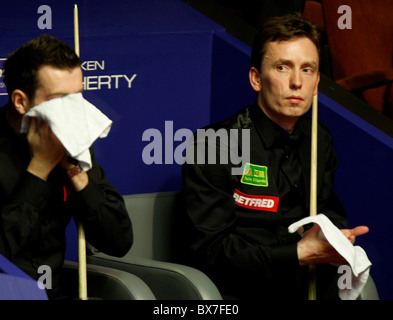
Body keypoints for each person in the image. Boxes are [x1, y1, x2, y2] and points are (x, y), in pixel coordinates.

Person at [179, 14, 369, 300]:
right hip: (241, 292)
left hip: (309, 287)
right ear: (256, 78)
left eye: (307, 70)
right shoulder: (214, 144)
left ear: (317, 83)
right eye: (283, 67)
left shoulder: (320, 138)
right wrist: (296, 254)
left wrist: (333, 238)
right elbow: (209, 252)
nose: (296, 82)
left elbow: (328, 210)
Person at [0, 35, 133, 299]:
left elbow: (118, 240)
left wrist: (74, 171)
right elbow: (6, 255)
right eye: (61, 99)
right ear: (20, 101)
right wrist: (39, 167)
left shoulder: (71, 143)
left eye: (78, 97)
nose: (73, 111)